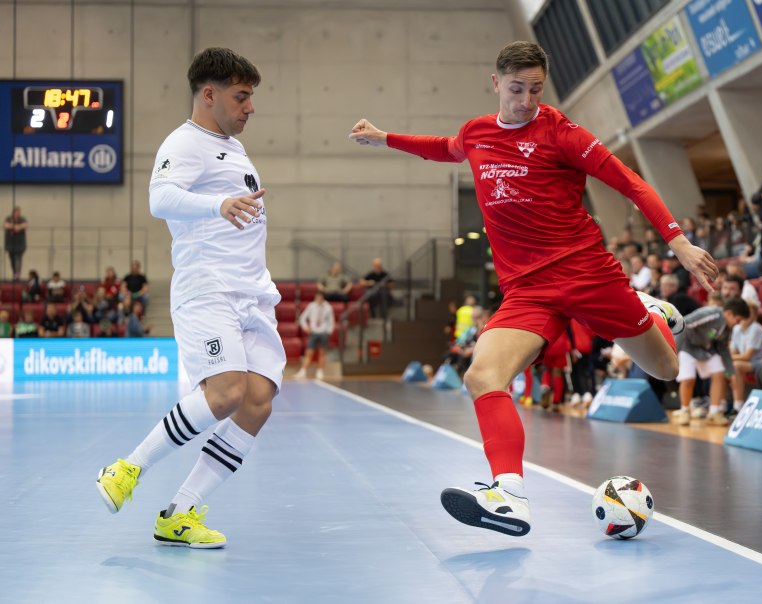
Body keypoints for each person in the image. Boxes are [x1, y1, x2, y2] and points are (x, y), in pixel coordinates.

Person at [350, 40, 716, 536]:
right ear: (496, 82)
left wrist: (678, 243)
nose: (526, 100)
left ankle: (653, 314)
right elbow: (443, 149)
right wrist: (385, 137)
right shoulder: (476, 133)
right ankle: (509, 496)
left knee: (667, 368)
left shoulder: (563, 133)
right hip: (527, 289)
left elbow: (630, 182)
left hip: (587, 274)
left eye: (536, 90)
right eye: (517, 89)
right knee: (481, 376)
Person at [96, 47, 284, 548]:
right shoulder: (185, 142)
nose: (249, 107)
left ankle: (180, 513)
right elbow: (160, 199)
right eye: (241, 97)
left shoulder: (233, 148)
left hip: (252, 293)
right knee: (224, 394)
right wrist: (217, 203)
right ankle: (127, 468)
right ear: (209, 94)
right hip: (209, 288)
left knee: (258, 402)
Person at [673, 302, 733, 426]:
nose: (737, 323)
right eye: (737, 319)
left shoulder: (727, 328)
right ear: (729, 313)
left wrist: (730, 369)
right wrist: (677, 348)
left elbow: (723, 348)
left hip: (706, 350)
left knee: (719, 373)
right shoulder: (713, 314)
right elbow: (684, 322)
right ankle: (685, 410)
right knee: (688, 379)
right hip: (688, 346)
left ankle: (714, 412)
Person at [728, 299, 762, 413]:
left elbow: (746, 356)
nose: (745, 316)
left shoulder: (756, 329)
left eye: (749, 313)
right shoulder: (736, 328)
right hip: (752, 361)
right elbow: (733, 351)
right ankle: (721, 406)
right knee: (723, 366)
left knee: (735, 366)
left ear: (755, 316)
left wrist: (729, 358)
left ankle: (738, 407)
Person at [296, 290, 334, 380]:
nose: (318, 299)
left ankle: (320, 371)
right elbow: (302, 318)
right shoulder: (311, 306)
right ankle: (303, 371)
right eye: (317, 298)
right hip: (313, 333)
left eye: (320, 298)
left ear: (323, 298)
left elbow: (331, 321)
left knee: (322, 353)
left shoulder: (328, 307)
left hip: (323, 333)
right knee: (309, 352)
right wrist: (306, 328)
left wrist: (328, 331)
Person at [3, 206, 27, 280]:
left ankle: (17, 275)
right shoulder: (8, 218)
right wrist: (14, 226)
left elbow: (25, 225)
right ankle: (14, 273)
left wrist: (15, 226)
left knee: (18, 259)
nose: (17, 214)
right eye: (16, 213)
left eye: (18, 213)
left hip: (20, 244)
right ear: (13, 213)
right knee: (12, 260)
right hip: (10, 244)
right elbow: (5, 225)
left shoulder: (22, 219)